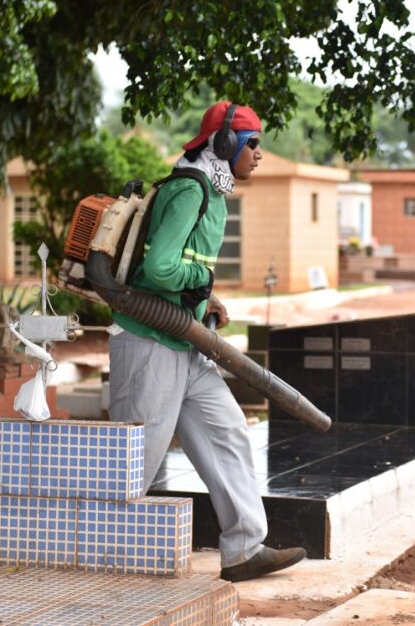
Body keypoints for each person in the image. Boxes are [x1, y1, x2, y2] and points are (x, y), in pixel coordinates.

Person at [108, 101, 306, 582]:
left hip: (184, 342)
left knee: (228, 432)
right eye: (253, 143)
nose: (259, 154)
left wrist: (205, 296)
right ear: (225, 144)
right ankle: (101, 550)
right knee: (140, 457)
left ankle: (243, 548)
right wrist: (201, 278)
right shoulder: (188, 190)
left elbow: (175, 267)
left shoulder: (211, 192)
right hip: (150, 343)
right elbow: (158, 270)